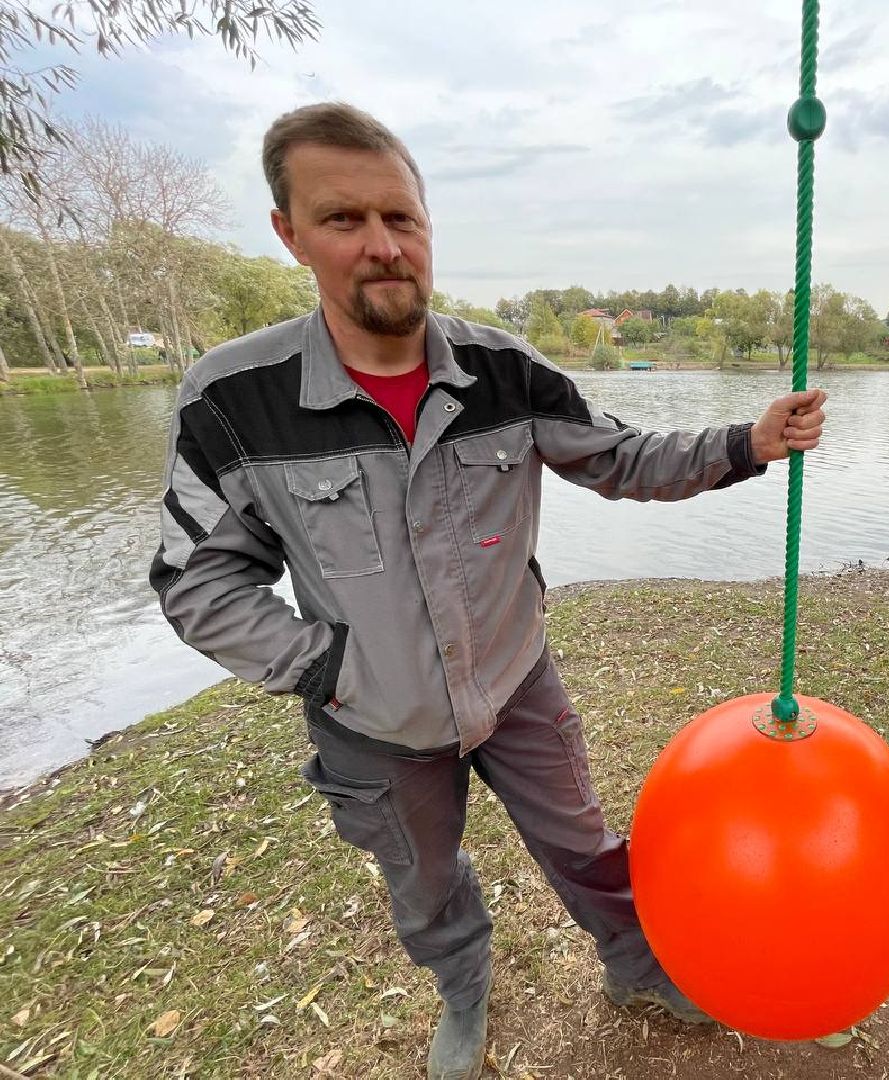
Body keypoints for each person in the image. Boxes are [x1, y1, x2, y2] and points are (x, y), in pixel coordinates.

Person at [150, 102, 826, 1080]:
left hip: (516, 684)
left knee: (589, 847)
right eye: (344, 219)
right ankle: (464, 995)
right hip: (371, 727)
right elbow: (196, 577)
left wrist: (746, 445)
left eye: (401, 218)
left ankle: (635, 965)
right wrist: (329, 665)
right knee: (424, 887)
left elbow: (619, 457)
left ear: (427, 227)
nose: (382, 246)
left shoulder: (506, 370)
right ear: (288, 233)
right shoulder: (231, 400)